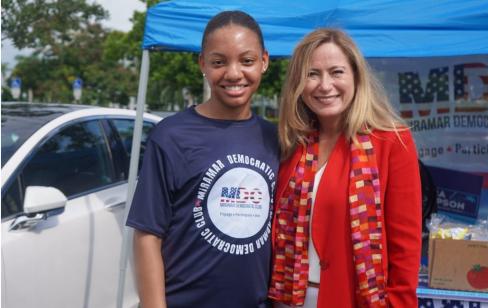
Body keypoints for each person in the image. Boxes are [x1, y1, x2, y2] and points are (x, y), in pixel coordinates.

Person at [126, 11, 279, 308]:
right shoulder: (170, 136)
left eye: (246, 61)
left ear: (264, 61)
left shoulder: (276, 138)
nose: (234, 74)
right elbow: (147, 235)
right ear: (202, 64)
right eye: (219, 62)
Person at [268, 28, 422, 308]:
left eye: (336, 72)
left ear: (356, 77)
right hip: (289, 301)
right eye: (312, 74)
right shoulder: (292, 144)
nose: (324, 85)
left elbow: (406, 247)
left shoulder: (390, 141)